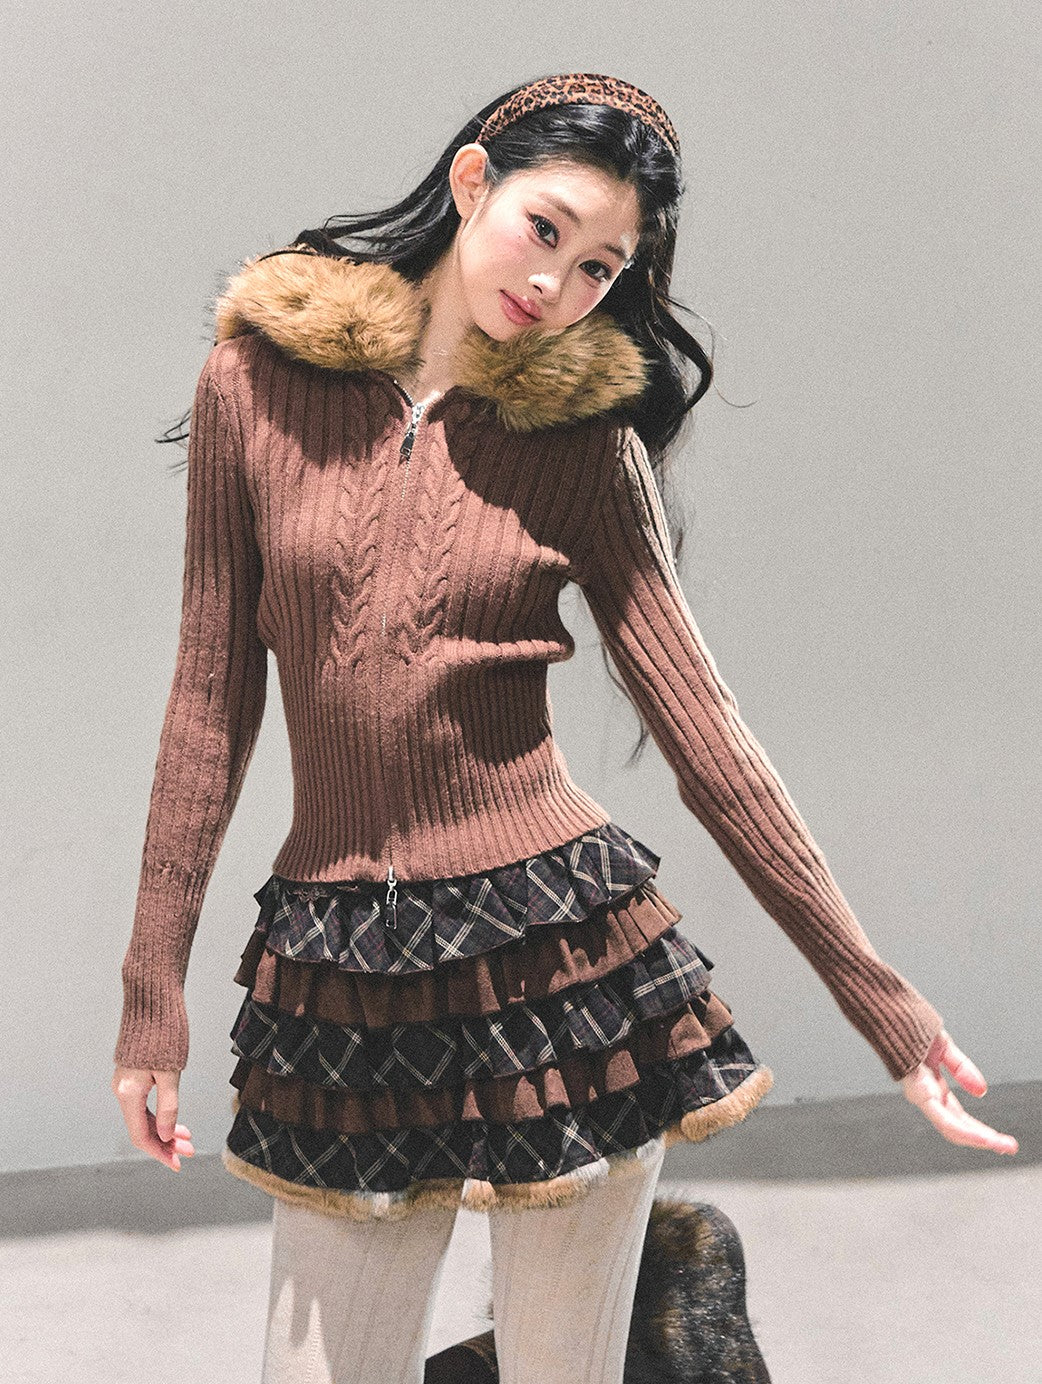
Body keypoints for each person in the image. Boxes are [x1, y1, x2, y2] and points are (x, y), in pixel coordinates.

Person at [111, 71, 1018, 1384]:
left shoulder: (583, 446)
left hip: (560, 972)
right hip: (338, 967)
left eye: (599, 267)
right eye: (545, 229)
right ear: (472, 179)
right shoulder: (253, 384)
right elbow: (208, 702)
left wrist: (881, 1001)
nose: (555, 283)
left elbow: (708, 740)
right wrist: (152, 999)